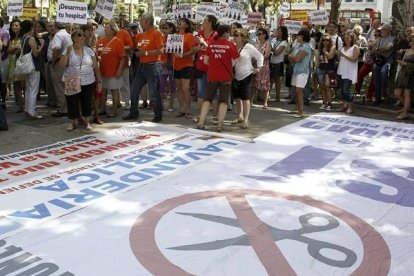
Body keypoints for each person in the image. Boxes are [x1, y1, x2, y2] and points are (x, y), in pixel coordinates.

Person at [197, 24, 240, 132]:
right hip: (226, 76)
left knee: (207, 99)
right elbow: (238, 60)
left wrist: (214, 65)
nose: (230, 34)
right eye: (229, 32)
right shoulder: (230, 45)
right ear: (225, 33)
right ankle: (220, 125)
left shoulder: (211, 44)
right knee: (223, 101)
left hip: (212, 75)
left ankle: (201, 122)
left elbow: (206, 61)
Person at [123, 13, 164, 122]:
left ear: (147, 22)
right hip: (141, 67)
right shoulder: (140, 35)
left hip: (153, 66)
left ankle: (157, 115)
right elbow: (135, 47)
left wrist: (145, 53)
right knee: (134, 90)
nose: (139, 22)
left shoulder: (157, 33)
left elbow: (160, 50)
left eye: (141, 20)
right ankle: (133, 112)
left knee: (154, 92)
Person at [60, 29, 102, 131]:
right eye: (79, 35)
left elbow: (96, 67)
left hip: (88, 80)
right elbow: (61, 65)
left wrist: (99, 81)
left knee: (87, 102)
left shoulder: (89, 50)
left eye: (83, 35)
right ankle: (72, 123)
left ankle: (87, 122)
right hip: (72, 80)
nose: (82, 37)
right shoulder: (68, 49)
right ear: (73, 38)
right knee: (72, 102)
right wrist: (67, 53)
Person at [232, 28, 263, 129]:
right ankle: (239, 117)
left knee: (245, 98)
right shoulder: (233, 46)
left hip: (246, 74)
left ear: (243, 37)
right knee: (237, 97)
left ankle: (246, 119)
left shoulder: (248, 47)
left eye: (237, 35)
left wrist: (258, 68)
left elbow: (260, 56)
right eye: (234, 35)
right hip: (235, 75)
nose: (234, 37)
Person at [193, 15, 219, 123]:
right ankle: (201, 116)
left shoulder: (216, 35)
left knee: (213, 93)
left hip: (212, 67)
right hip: (200, 66)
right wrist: (198, 48)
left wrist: (203, 43)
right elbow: (194, 49)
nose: (202, 23)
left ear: (210, 23)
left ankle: (215, 117)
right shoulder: (199, 34)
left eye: (205, 21)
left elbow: (215, 50)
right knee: (201, 92)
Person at [96, 21, 125, 118]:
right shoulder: (100, 41)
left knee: (114, 91)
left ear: (113, 30)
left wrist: (119, 70)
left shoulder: (118, 42)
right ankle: (102, 108)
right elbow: (97, 54)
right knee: (102, 91)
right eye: (105, 27)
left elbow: (122, 57)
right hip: (102, 71)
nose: (105, 29)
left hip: (113, 71)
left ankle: (114, 110)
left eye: (107, 28)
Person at [20, 20, 45, 119]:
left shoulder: (24, 38)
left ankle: (28, 109)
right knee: (33, 89)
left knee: (29, 88)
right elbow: (35, 53)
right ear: (31, 27)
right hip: (34, 65)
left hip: (27, 66)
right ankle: (32, 111)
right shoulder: (31, 39)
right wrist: (42, 45)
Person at [173, 18, 196, 119]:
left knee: (185, 88)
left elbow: (193, 51)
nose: (180, 22)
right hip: (176, 65)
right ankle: (182, 109)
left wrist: (182, 55)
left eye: (182, 22)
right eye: (179, 21)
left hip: (186, 65)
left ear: (187, 26)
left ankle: (188, 110)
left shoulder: (189, 36)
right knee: (179, 89)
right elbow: (171, 50)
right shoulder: (174, 36)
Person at [49, 21, 72, 117]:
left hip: (59, 62)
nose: (50, 28)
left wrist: (54, 60)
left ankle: (63, 109)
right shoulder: (66, 34)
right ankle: (67, 108)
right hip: (66, 61)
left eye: (52, 26)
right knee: (65, 86)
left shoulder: (58, 36)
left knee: (59, 86)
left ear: (56, 27)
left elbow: (56, 48)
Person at [287, 29, 312, 118]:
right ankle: (296, 109)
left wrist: (291, 56)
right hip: (296, 70)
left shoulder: (306, 47)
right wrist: (291, 56)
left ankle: (301, 112)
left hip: (303, 71)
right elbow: (290, 57)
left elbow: (296, 59)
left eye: (298, 35)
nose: (297, 37)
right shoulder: (298, 46)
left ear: (303, 36)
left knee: (299, 91)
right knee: (296, 90)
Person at [371, 23, 394, 105]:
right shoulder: (379, 40)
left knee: (384, 72)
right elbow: (372, 50)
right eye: (381, 30)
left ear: (389, 30)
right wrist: (379, 50)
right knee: (376, 76)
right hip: (379, 61)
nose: (382, 31)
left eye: (383, 30)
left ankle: (383, 93)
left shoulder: (392, 39)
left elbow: (388, 48)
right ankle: (378, 97)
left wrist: (378, 50)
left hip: (387, 62)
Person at [336, 31, 360, 114]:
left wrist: (344, 55)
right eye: (345, 38)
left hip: (349, 72)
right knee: (342, 90)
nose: (346, 40)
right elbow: (340, 59)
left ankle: (350, 105)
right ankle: (345, 104)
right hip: (341, 71)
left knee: (346, 90)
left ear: (352, 39)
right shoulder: (342, 47)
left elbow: (354, 59)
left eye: (348, 38)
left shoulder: (355, 47)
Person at [393, 34, 414, 120]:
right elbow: (399, 58)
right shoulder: (407, 51)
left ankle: (405, 112)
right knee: (397, 93)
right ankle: (406, 107)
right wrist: (399, 56)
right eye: (412, 41)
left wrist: (405, 64)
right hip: (402, 73)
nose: (412, 42)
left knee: (407, 94)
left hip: (410, 74)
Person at [251, 27, 271, 108]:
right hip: (256, 66)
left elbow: (267, 55)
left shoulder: (268, 43)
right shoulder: (256, 44)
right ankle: (251, 100)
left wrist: (258, 58)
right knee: (254, 84)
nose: (258, 36)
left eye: (259, 34)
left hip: (264, 66)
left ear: (264, 35)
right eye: (257, 34)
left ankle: (265, 102)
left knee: (265, 84)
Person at [7, 19, 24, 112]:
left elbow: (22, 49)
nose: (14, 27)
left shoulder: (23, 37)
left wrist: (15, 48)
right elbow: (9, 50)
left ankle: (27, 104)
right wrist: (13, 48)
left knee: (23, 84)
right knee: (16, 85)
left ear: (20, 27)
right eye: (13, 25)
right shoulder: (12, 38)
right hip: (13, 63)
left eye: (16, 25)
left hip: (21, 63)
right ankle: (20, 105)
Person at [316, 34, 336, 111]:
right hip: (321, 69)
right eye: (324, 40)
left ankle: (330, 104)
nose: (325, 42)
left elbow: (330, 56)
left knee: (327, 87)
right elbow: (318, 59)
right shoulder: (320, 48)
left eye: (327, 40)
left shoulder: (333, 47)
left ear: (330, 41)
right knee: (322, 87)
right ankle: (324, 103)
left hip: (329, 70)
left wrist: (325, 51)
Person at [160, 21, 177, 113]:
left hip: (173, 65)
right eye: (162, 28)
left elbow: (177, 52)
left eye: (166, 28)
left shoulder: (176, 38)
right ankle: (161, 104)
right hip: (162, 65)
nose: (163, 30)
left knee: (172, 86)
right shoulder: (160, 38)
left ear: (171, 29)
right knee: (161, 86)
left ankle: (171, 105)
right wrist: (160, 61)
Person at [269, 26, 288, 103]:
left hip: (278, 63)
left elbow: (277, 53)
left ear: (282, 32)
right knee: (270, 80)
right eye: (277, 30)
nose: (277, 32)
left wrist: (270, 48)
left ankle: (277, 96)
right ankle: (267, 95)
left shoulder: (284, 42)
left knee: (277, 80)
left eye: (279, 31)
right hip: (271, 61)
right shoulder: (273, 39)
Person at [0, 17, 9, 104]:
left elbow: (5, 44)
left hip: (2, 60)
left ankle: (3, 102)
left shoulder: (4, 33)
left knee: (2, 82)